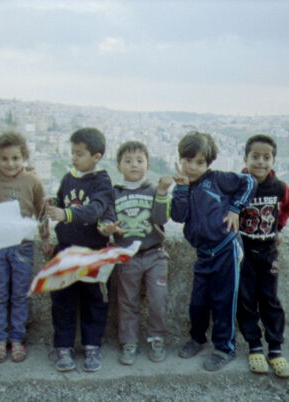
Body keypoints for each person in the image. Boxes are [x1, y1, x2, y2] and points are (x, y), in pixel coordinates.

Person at [170, 131, 257, 372]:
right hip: (203, 253)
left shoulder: (218, 179)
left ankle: (224, 348)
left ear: (208, 164)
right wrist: (180, 189)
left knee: (224, 301)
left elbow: (249, 182)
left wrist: (235, 208)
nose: (192, 167)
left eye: (199, 162)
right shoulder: (183, 186)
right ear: (180, 159)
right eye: (187, 161)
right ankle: (197, 339)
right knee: (198, 302)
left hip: (226, 249)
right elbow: (178, 216)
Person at [44, 127, 116, 373]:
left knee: (94, 301)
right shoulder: (68, 178)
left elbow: (96, 209)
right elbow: (62, 199)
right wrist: (53, 204)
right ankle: (63, 346)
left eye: (79, 154)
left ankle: (92, 345)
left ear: (96, 157)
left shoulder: (102, 181)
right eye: (73, 153)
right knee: (62, 301)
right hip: (66, 250)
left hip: (93, 252)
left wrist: (66, 214)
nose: (74, 158)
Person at [100, 141, 173, 365]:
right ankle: (128, 342)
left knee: (158, 298)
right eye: (128, 161)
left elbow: (161, 218)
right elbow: (105, 219)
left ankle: (157, 337)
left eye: (139, 160)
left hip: (154, 254)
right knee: (127, 301)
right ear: (119, 166)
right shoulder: (114, 193)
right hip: (126, 256)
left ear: (147, 165)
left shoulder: (153, 190)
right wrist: (107, 228)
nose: (134, 165)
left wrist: (162, 192)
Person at [0, 130, 51, 364]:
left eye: (15, 158)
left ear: (24, 158)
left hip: (23, 244)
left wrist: (45, 237)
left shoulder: (32, 181)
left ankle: (17, 339)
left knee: (20, 294)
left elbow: (41, 211)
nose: (10, 164)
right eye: (4, 159)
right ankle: (0, 340)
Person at [236, 134, 289, 378]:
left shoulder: (279, 187)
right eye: (255, 157)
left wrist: (278, 227)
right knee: (246, 299)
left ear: (273, 161)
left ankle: (275, 348)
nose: (260, 162)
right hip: (244, 252)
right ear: (245, 158)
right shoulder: (238, 184)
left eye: (266, 157)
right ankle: (254, 345)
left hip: (268, 251)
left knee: (270, 299)